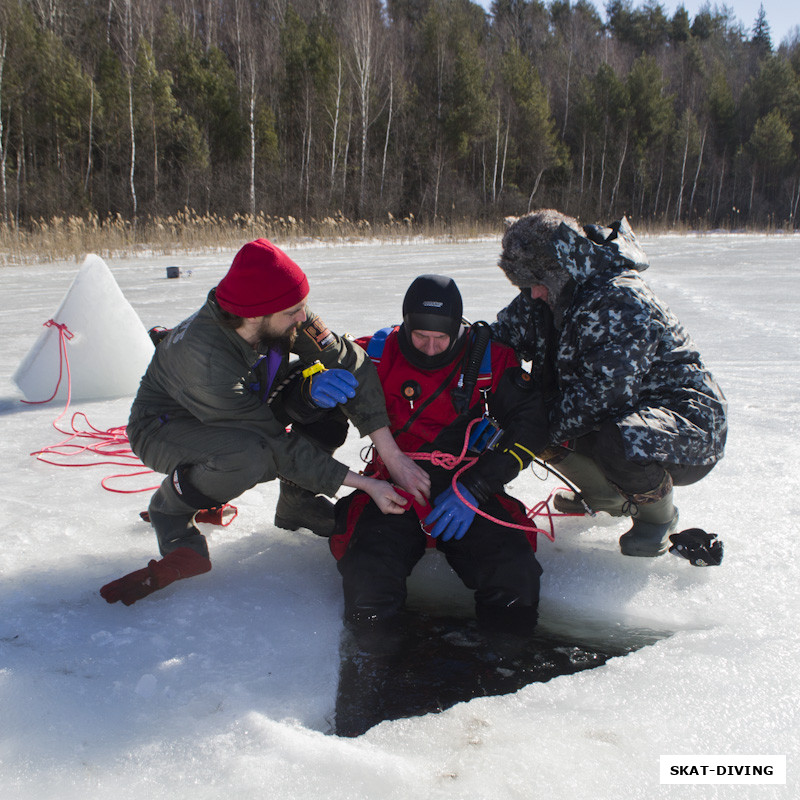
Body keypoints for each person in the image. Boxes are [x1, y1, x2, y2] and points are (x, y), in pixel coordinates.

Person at [100, 238, 429, 606]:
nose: (304, 317)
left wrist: (393, 455)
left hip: (244, 400)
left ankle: (294, 501)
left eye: (303, 306)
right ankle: (171, 509)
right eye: (294, 312)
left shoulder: (274, 307)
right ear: (255, 315)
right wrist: (366, 484)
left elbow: (347, 358)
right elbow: (275, 445)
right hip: (165, 427)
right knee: (248, 456)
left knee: (330, 383)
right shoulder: (204, 359)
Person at [491, 210, 727, 558]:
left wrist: (531, 429)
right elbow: (499, 339)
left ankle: (658, 518)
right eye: (525, 285)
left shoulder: (621, 299)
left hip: (688, 423)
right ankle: (605, 497)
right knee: (527, 411)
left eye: (536, 283)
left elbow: (605, 396)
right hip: (615, 411)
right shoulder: (546, 291)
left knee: (616, 438)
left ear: (560, 270)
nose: (533, 293)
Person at [330, 274, 548, 636]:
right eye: (420, 337)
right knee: (368, 573)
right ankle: (374, 665)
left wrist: (477, 487)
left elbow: (531, 426)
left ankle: (506, 667)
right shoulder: (376, 354)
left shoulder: (488, 358)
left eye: (441, 339)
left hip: (465, 484)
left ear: (457, 329)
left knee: (514, 574)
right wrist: (310, 388)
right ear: (406, 325)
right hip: (393, 484)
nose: (430, 348)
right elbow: (307, 389)